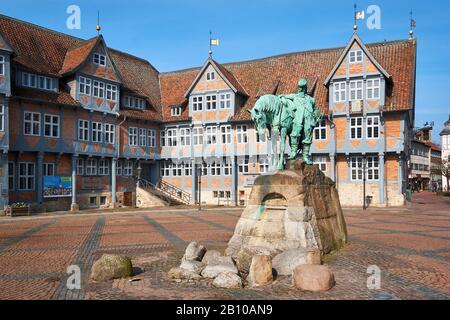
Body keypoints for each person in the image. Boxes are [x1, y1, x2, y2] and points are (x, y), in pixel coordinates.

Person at [278, 79, 322, 164]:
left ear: (305, 88)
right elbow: (281, 96)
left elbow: (315, 110)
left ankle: (305, 156)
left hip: (308, 119)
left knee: (307, 137)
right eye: (300, 88)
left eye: (302, 88)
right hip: (298, 119)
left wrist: (318, 115)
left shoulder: (311, 99)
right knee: (295, 134)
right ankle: (293, 152)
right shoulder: (294, 96)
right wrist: (283, 99)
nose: (301, 90)